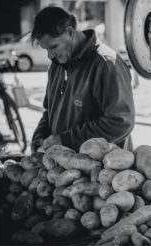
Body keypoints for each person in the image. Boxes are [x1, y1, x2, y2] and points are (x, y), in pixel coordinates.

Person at [30, 6, 135, 152]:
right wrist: (40, 135)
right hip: (63, 166)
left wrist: (66, 140)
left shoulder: (106, 64)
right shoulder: (56, 66)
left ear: (70, 32)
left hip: (105, 169)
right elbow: (50, 111)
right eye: (46, 49)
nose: (50, 55)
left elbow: (120, 122)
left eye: (53, 46)